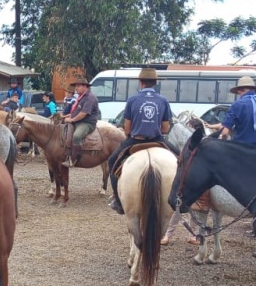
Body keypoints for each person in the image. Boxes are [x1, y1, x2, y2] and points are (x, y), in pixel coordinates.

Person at [106, 67, 174, 214]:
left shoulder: (132, 100)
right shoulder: (163, 100)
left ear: (141, 82)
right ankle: (180, 198)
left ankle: (118, 201)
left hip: (135, 141)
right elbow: (165, 128)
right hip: (158, 140)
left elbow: (127, 129)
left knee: (111, 162)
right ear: (155, 83)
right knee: (182, 159)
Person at [61, 77, 100, 167]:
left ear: (85, 86)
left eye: (78, 86)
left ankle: (74, 159)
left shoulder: (90, 98)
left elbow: (83, 114)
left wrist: (71, 120)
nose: (76, 88)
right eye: (76, 86)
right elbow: (76, 111)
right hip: (78, 121)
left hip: (87, 123)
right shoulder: (80, 97)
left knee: (77, 136)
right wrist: (66, 116)